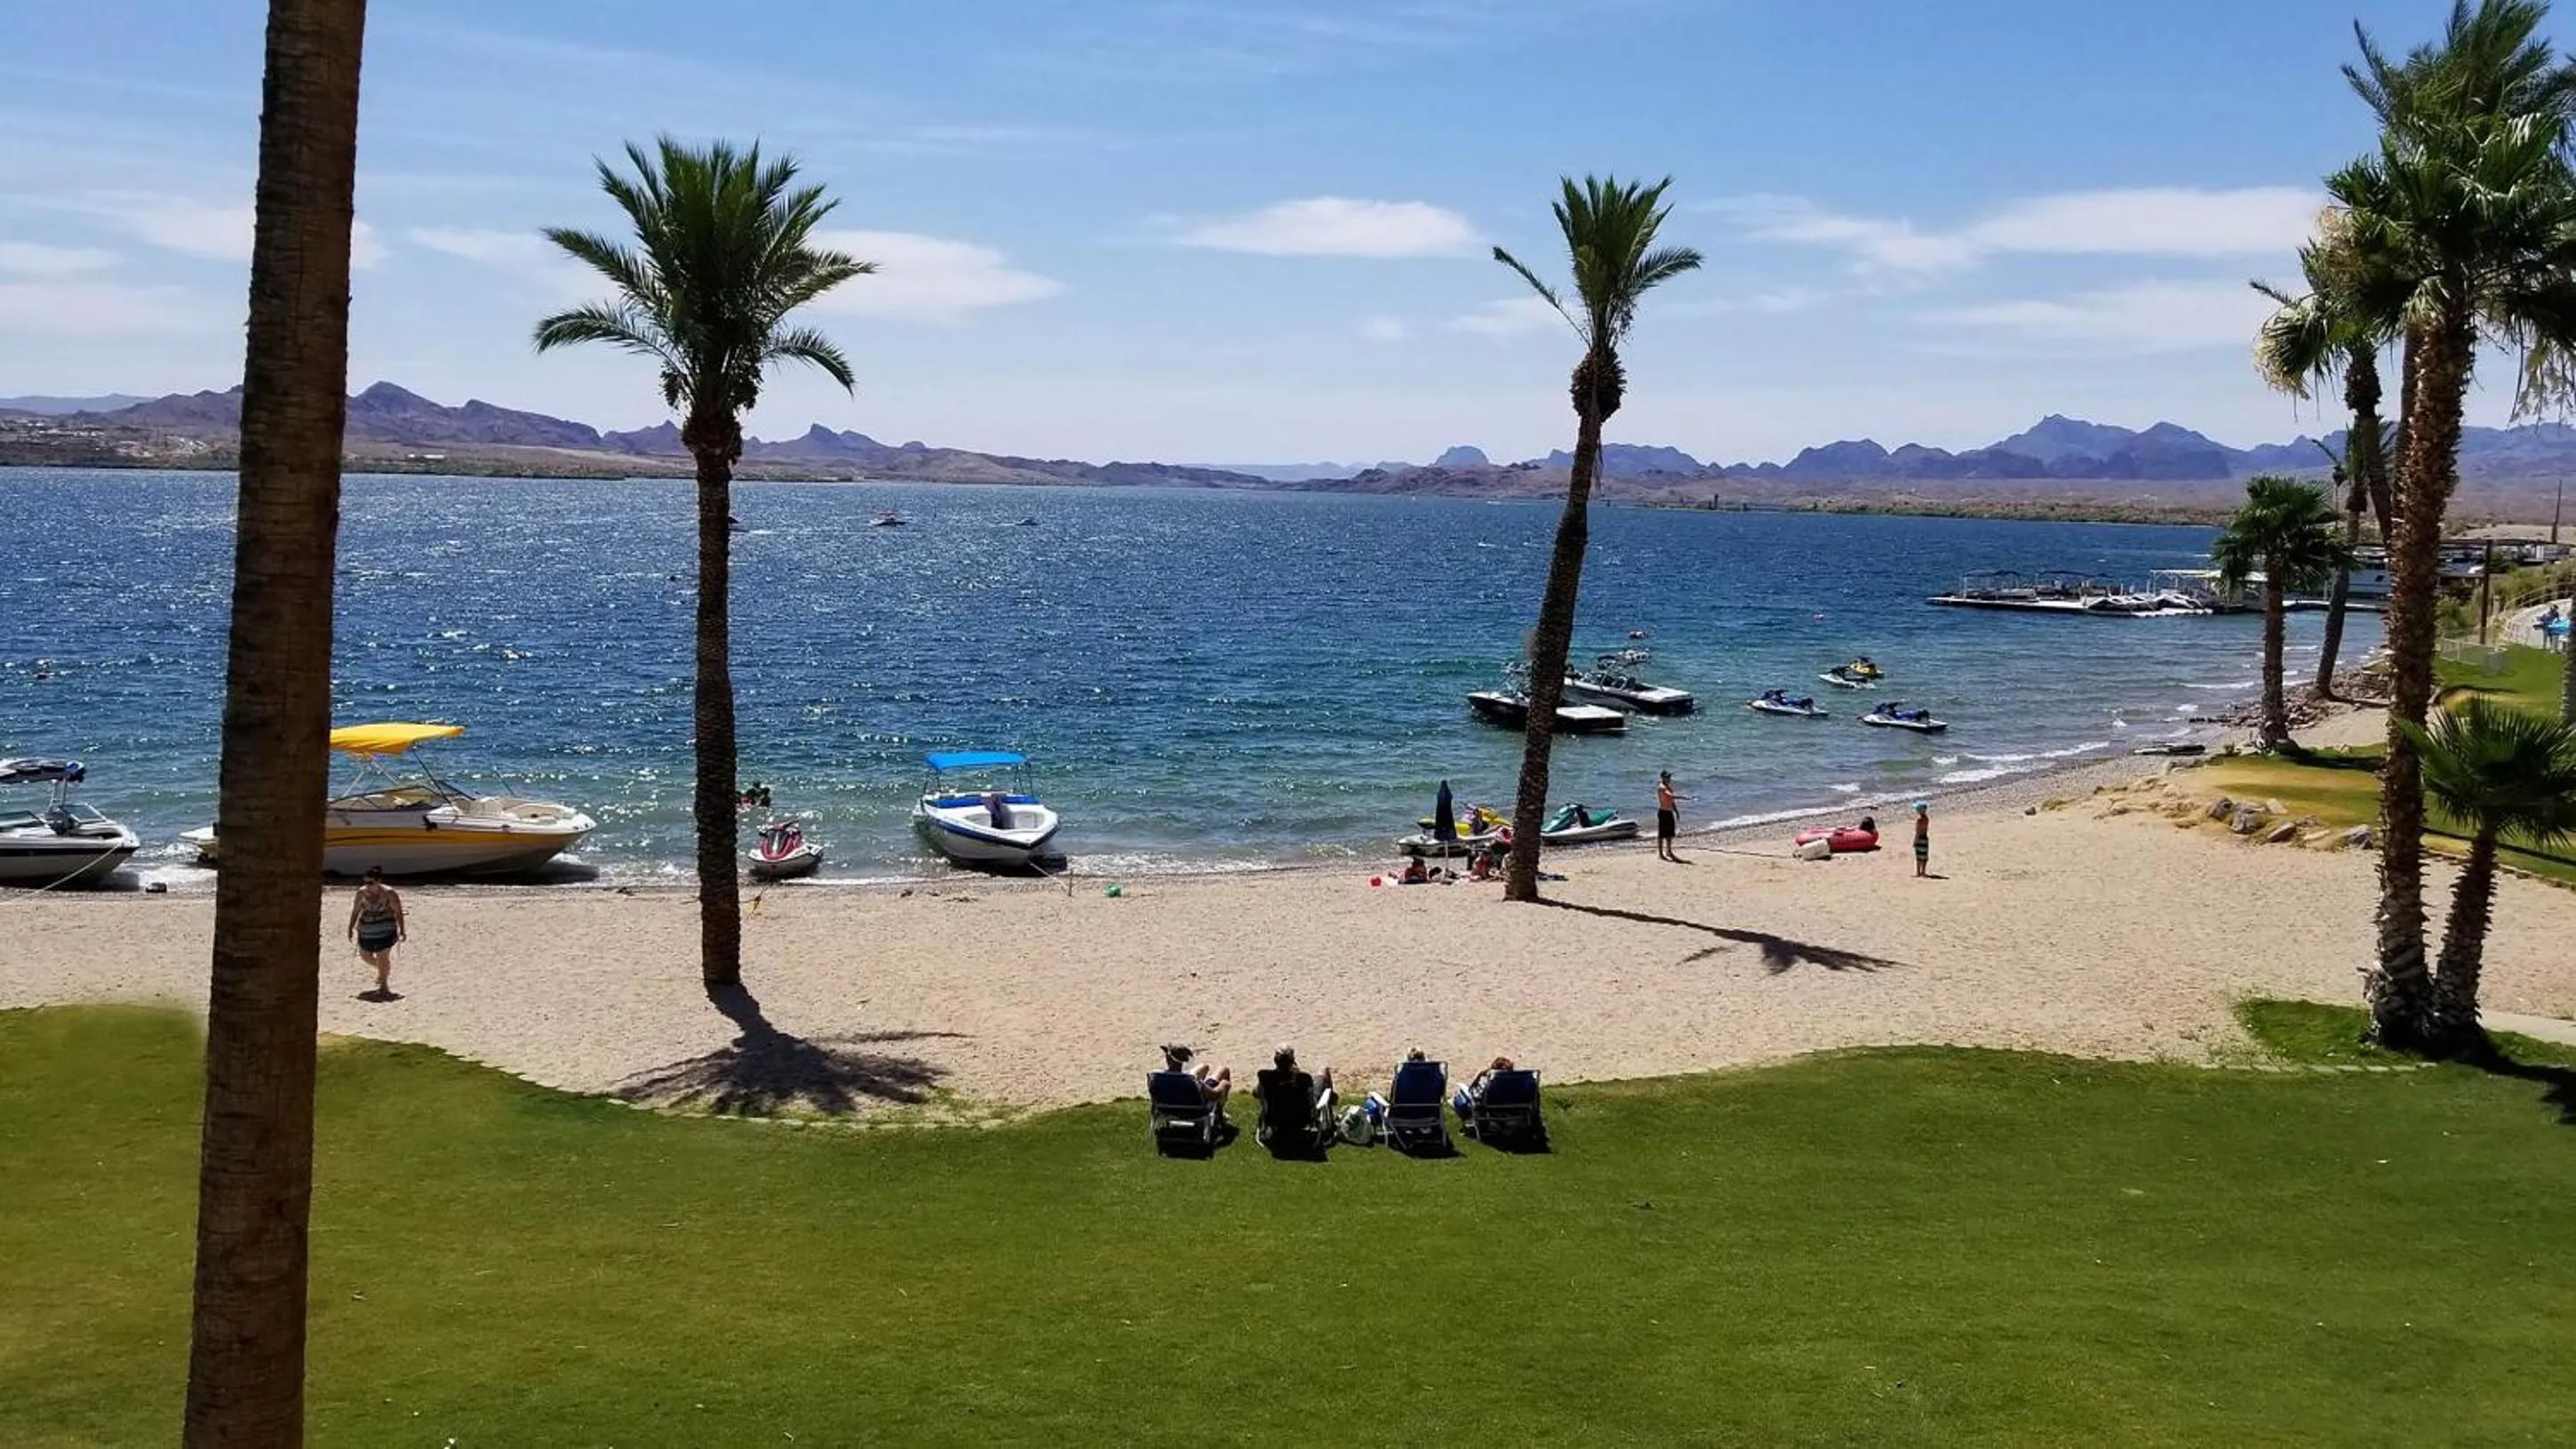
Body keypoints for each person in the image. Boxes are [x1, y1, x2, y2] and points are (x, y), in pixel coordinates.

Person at [346, 866, 405, 999]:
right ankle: (382, 971)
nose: (368, 886)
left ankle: (384, 986)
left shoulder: (389, 893)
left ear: (379, 881)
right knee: (365, 955)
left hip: (386, 928)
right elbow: (355, 911)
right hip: (366, 929)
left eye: (371, 883)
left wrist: (402, 929)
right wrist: (350, 927)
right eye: (366, 882)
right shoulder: (361, 893)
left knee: (382, 956)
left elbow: (398, 912)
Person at [1256, 1045, 1336, 1120]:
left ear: (1275, 1060)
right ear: (1293, 1060)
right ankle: (1333, 1112)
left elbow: (1256, 1093)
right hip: (1302, 1120)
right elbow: (1310, 1097)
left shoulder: (1267, 1077)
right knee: (1324, 1070)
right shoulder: (1303, 1078)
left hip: (1275, 1121)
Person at [1161, 1044, 1231, 1117]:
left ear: (1168, 1060)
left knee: (1217, 1069)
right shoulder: (1191, 1080)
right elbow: (1215, 1095)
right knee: (1224, 1076)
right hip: (1194, 1109)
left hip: (1169, 1110)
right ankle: (1220, 1114)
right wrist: (1223, 1085)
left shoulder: (1158, 1078)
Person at [1452, 1055, 1516, 1118]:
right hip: (1511, 1114)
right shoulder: (1515, 1086)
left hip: (1490, 1114)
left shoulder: (1489, 1086)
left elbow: (1476, 1096)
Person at [1655, 770, 1687, 863]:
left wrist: (1676, 811)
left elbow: (1671, 801)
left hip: (1669, 812)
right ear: (1662, 777)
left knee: (1670, 834)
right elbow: (1670, 796)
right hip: (1663, 812)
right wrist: (1681, 797)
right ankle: (1661, 854)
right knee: (1662, 834)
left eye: (1669, 777)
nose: (1669, 778)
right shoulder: (1662, 787)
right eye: (1667, 777)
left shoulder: (1669, 787)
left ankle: (1669, 851)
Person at [1912, 800, 1932, 878]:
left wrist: (1915, 840)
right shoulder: (1926, 818)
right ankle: (1923, 871)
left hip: (1920, 838)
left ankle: (1918, 872)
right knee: (1924, 856)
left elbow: (1917, 831)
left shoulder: (1919, 820)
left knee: (1918, 856)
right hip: (1925, 837)